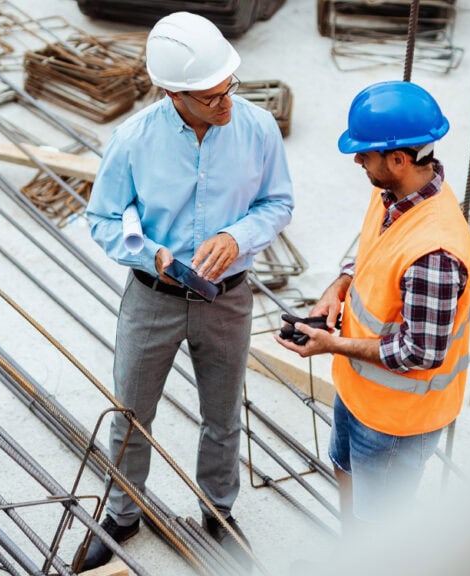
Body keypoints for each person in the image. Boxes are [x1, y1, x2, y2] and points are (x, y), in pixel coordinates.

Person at [82, 11, 294, 570]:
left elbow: (278, 202)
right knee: (131, 412)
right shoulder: (132, 141)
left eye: (230, 88)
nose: (226, 103)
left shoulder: (256, 128)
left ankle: (217, 511)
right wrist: (146, 252)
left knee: (223, 415)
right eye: (211, 97)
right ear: (173, 93)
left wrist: (238, 234)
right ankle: (123, 514)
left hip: (227, 298)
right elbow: (102, 217)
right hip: (153, 296)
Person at [275, 81, 470, 525]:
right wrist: (338, 286)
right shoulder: (392, 195)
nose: (357, 160)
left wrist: (332, 345)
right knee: (346, 473)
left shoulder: (434, 253)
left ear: (399, 159)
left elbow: (418, 352)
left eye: (365, 154)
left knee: (377, 526)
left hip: (396, 420)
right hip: (360, 391)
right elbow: (372, 249)